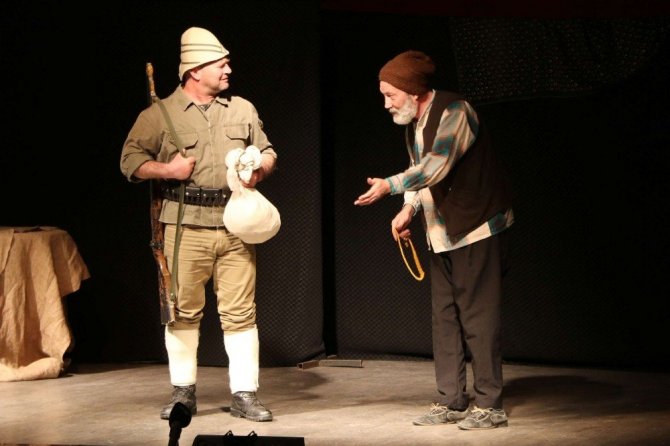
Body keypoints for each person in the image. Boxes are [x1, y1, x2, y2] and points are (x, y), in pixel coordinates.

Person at [120, 26, 276, 422]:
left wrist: (258, 168)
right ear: (195, 70)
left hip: (235, 223)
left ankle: (245, 394)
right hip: (184, 226)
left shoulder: (241, 109)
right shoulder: (160, 114)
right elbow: (130, 161)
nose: (228, 70)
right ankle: (183, 393)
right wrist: (167, 170)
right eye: (220, 65)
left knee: (241, 313)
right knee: (183, 312)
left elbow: (268, 150)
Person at [354, 50, 514, 430]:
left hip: (476, 226)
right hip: (441, 232)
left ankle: (490, 405)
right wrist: (408, 209)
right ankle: (451, 400)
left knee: (478, 316)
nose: (386, 104)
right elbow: (419, 173)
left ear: (413, 91)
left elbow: (436, 166)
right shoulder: (414, 124)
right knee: (444, 317)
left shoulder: (456, 112)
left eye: (390, 95)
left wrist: (390, 186)